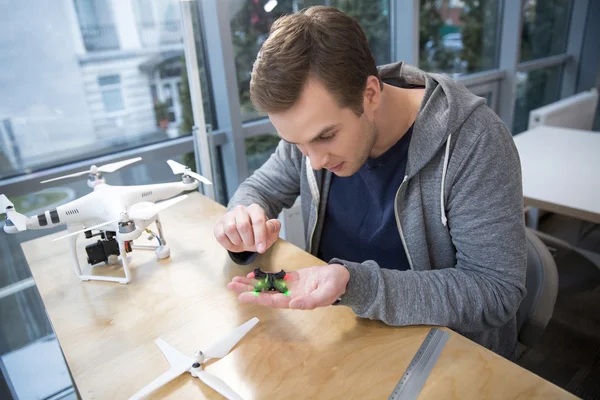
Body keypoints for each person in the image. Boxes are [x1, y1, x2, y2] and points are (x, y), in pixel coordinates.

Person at [214, 6, 526, 359]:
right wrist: (242, 218)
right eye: (297, 144)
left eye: (326, 137)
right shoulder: (311, 132)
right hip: (338, 331)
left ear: (371, 94)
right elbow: (261, 188)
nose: (314, 161)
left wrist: (357, 286)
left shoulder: (474, 140)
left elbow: (496, 290)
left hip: (440, 355)